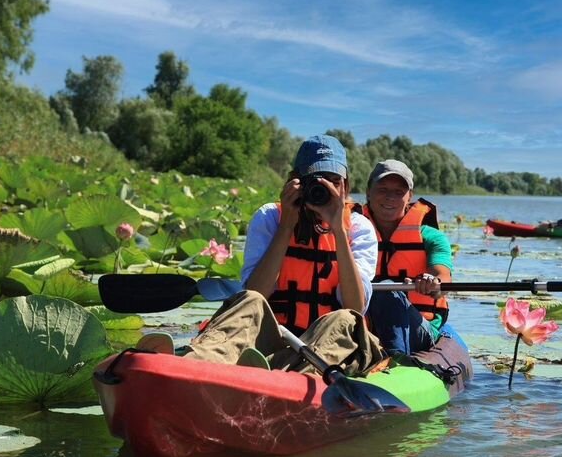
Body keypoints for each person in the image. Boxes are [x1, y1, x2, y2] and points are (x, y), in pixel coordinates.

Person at [179, 135, 384, 375]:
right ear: (295, 182)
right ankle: (196, 362)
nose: (325, 189)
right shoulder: (270, 218)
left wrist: (338, 229)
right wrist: (287, 226)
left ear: (345, 187)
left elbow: (355, 306)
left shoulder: (359, 228)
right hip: (273, 337)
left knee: (346, 319)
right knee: (249, 300)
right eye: (316, 181)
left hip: (329, 348)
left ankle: (295, 377)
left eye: (334, 181)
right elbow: (258, 291)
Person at [357, 159, 453, 356]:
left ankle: (396, 360)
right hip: (363, 324)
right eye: (382, 189)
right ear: (368, 191)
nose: (390, 197)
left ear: (410, 196)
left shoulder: (432, 237)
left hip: (419, 327)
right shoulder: (350, 232)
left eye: (399, 192)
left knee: (387, 290)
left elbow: (443, 276)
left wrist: (433, 283)